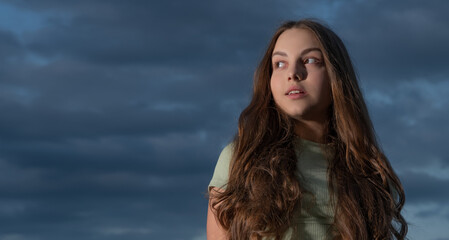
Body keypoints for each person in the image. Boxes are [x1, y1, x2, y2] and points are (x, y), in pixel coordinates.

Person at [207, 19, 407, 240]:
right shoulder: (241, 159)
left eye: (310, 60)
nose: (293, 73)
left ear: (336, 75)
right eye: (280, 64)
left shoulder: (369, 171)